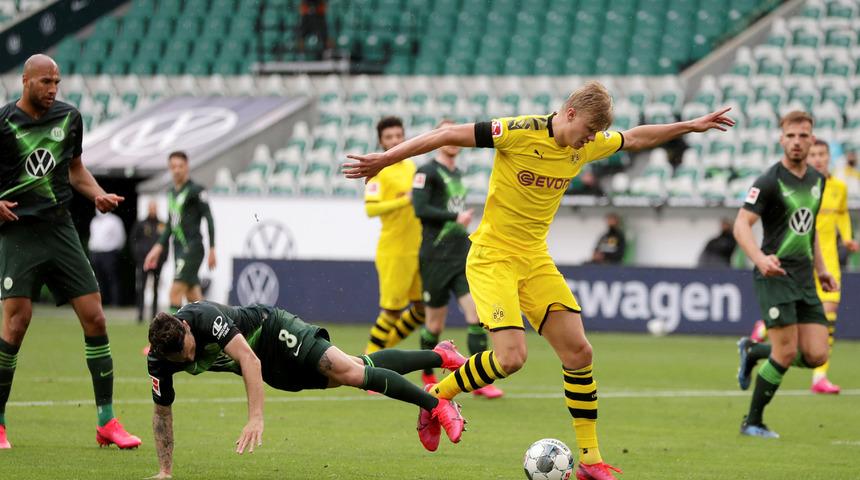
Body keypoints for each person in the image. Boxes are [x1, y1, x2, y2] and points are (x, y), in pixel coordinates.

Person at [344, 80, 735, 479]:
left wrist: (690, 125)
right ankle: (437, 397)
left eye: (593, 136)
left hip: (534, 260)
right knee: (511, 359)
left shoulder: (585, 144)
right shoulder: (516, 131)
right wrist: (386, 160)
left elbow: (635, 138)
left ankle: (590, 460)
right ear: (569, 113)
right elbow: (446, 134)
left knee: (580, 353)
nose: (588, 141)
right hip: (493, 257)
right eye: (586, 131)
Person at [146, 301, 468, 478]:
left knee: (351, 373)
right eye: (181, 358)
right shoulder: (160, 361)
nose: (189, 357)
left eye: (189, 349)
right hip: (275, 369)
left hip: (274, 330)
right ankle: (440, 355)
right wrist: (165, 471)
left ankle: (434, 403)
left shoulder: (204, 317)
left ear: (185, 327)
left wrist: (255, 417)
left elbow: (248, 360)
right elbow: (162, 413)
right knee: (357, 367)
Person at [0, 54, 140, 449]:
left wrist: (97, 194)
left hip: (60, 228)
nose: (52, 89)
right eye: (45, 82)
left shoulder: (69, 118)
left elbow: (76, 170)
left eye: (57, 82)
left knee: (95, 316)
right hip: (19, 230)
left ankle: (106, 422)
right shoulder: (4, 122)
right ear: (25, 81)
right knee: (17, 322)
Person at [734, 112, 838, 439]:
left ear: (812, 139)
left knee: (817, 354)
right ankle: (752, 421)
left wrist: (822, 270)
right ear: (781, 139)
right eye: (790, 135)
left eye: (803, 135)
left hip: (806, 277)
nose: (796, 142)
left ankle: (753, 351)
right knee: (786, 352)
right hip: (775, 275)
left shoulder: (818, 180)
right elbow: (741, 225)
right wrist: (760, 259)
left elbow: (811, 231)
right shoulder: (768, 180)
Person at [745, 139, 857, 394]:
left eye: (822, 154)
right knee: (792, 325)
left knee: (828, 320)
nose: (818, 158)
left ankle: (820, 378)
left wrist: (847, 236)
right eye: (814, 154)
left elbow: (842, 214)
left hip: (829, 262)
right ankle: (762, 331)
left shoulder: (836, 187)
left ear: (829, 157)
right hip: (802, 262)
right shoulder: (804, 185)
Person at [412, 119, 503, 399]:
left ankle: (479, 380)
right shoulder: (427, 171)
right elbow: (420, 208)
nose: (452, 140)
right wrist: (454, 217)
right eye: (445, 134)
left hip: (461, 256)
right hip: (435, 258)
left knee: (476, 315)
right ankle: (427, 371)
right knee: (435, 325)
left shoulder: (458, 174)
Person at [362, 116, 425, 354]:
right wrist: (403, 201)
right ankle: (367, 362)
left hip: (417, 247)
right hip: (395, 250)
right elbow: (371, 209)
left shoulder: (410, 167)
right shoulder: (378, 170)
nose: (395, 140)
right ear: (381, 141)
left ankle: (380, 354)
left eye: (398, 135)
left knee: (421, 309)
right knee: (392, 312)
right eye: (389, 137)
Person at [143, 151, 216, 313]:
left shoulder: (196, 190)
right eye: (173, 166)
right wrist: (157, 248)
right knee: (194, 299)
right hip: (178, 249)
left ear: (187, 167)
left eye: (180, 166)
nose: (177, 170)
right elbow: (170, 225)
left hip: (192, 248)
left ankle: (172, 336)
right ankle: (209, 334)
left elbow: (209, 218)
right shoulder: (171, 193)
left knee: (174, 293)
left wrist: (212, 248)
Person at [131, 200, 167, 322]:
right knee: (141, 287)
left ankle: (154, 315)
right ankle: (140, 314)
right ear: (148, 209)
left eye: (154, 208)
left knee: (156, 288)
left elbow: (166, 243)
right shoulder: (141, 224)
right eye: (151, 208)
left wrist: (164, 258)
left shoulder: (162, 225)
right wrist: (139, 257)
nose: (153, 210)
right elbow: (133, 241)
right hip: (143, 262)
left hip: (158, 262)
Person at [88, 209, 126, 306]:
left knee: (112, 278)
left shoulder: (114, 220)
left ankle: (115, 302)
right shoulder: (94, 221)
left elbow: (120, 237)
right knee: (97, 279)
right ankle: (101, 302)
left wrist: (115, 251)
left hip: (109, 253)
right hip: (96, 253)